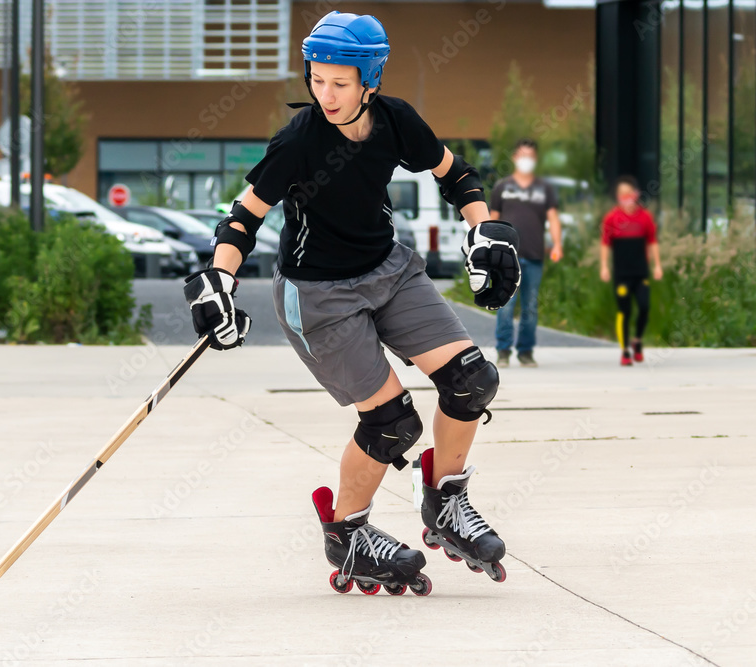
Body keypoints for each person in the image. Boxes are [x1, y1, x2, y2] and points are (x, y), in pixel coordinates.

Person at [183, 11, 517, 593]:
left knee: (471, 380)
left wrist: (483, 231)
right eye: (316, 79)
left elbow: (457, 176)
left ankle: (448, 501)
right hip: (317, 294)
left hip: (388, 269)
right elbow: (242, 219)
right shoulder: (299, 140)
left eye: (340, 82)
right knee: (391, 423)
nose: (325, 94)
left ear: (370, 79)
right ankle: (349, 532)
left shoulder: (395, 121)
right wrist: (219, 279)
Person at [489, 139, 563, 368]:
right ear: (514, 158)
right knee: (506, 305)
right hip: (506, 257)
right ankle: (503, 351)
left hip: (534, 255)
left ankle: (526, 351)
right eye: (522, 155)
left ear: (535, 159)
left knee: (530, 306)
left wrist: (557, 244)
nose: (526, 160)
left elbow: (552, 218)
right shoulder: (503, 186)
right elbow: (493, 218)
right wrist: (489, 247)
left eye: (530, 156)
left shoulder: (544, 189)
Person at [600, 175, 663, 366]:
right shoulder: (612, 218)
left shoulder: (645, 217)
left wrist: (657, 265)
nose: (625, 197)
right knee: (624, 310)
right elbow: (605, 244)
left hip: (640, 271)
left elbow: (652, 242)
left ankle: (637, 340)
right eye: (621, 194)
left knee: (644, 306)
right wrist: (604, 266)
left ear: (635, 194)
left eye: (628, 194)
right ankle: (625, 350)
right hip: (621, 273)